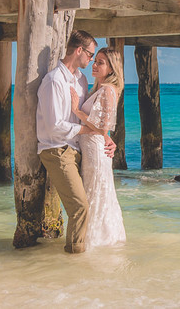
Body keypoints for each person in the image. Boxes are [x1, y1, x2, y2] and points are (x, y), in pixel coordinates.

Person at [36, 29, 114, 253]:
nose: (91, 61)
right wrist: (86, 131)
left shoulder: (81, 81)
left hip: (77, 149)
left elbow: (93, 117)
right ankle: (74, 259)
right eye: (90, 55)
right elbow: (54, 126)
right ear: (79, 51)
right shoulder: (54, 82)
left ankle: (78, 256)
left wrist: (106, 137)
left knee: (89, 201)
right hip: (56, 150)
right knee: (80, 207)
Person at [69, 46, 126, 248]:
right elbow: (104, 129)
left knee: (95, 193)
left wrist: (76, 110)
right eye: (95, 61)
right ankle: (97, 240)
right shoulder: (100, 89)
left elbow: (100, 126)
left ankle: (95, 241)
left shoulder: (108, 90)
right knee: (95, 192)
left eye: (100, 62)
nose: (94, 65)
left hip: (95, 151)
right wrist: (108, 137)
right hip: (93, 148)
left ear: (111, 69)